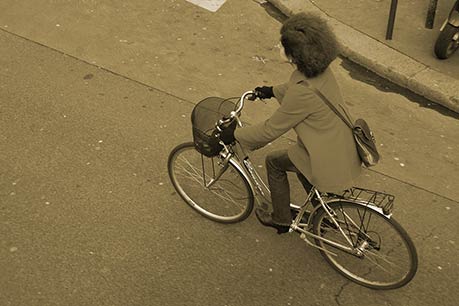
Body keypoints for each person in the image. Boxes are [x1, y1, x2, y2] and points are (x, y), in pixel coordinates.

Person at [232, 12, 362, 234]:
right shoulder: (319, 71)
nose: (278, 47)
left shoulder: (302, 94)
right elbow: (297, 85)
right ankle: (324, 213)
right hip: (340, 145)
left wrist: (236, 135)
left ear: (295, 56)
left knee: (274, 162)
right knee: (299, 165)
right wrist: (271, 91)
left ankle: (281, 219)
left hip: (325, 156)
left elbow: (270, 130)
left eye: (283, 46)